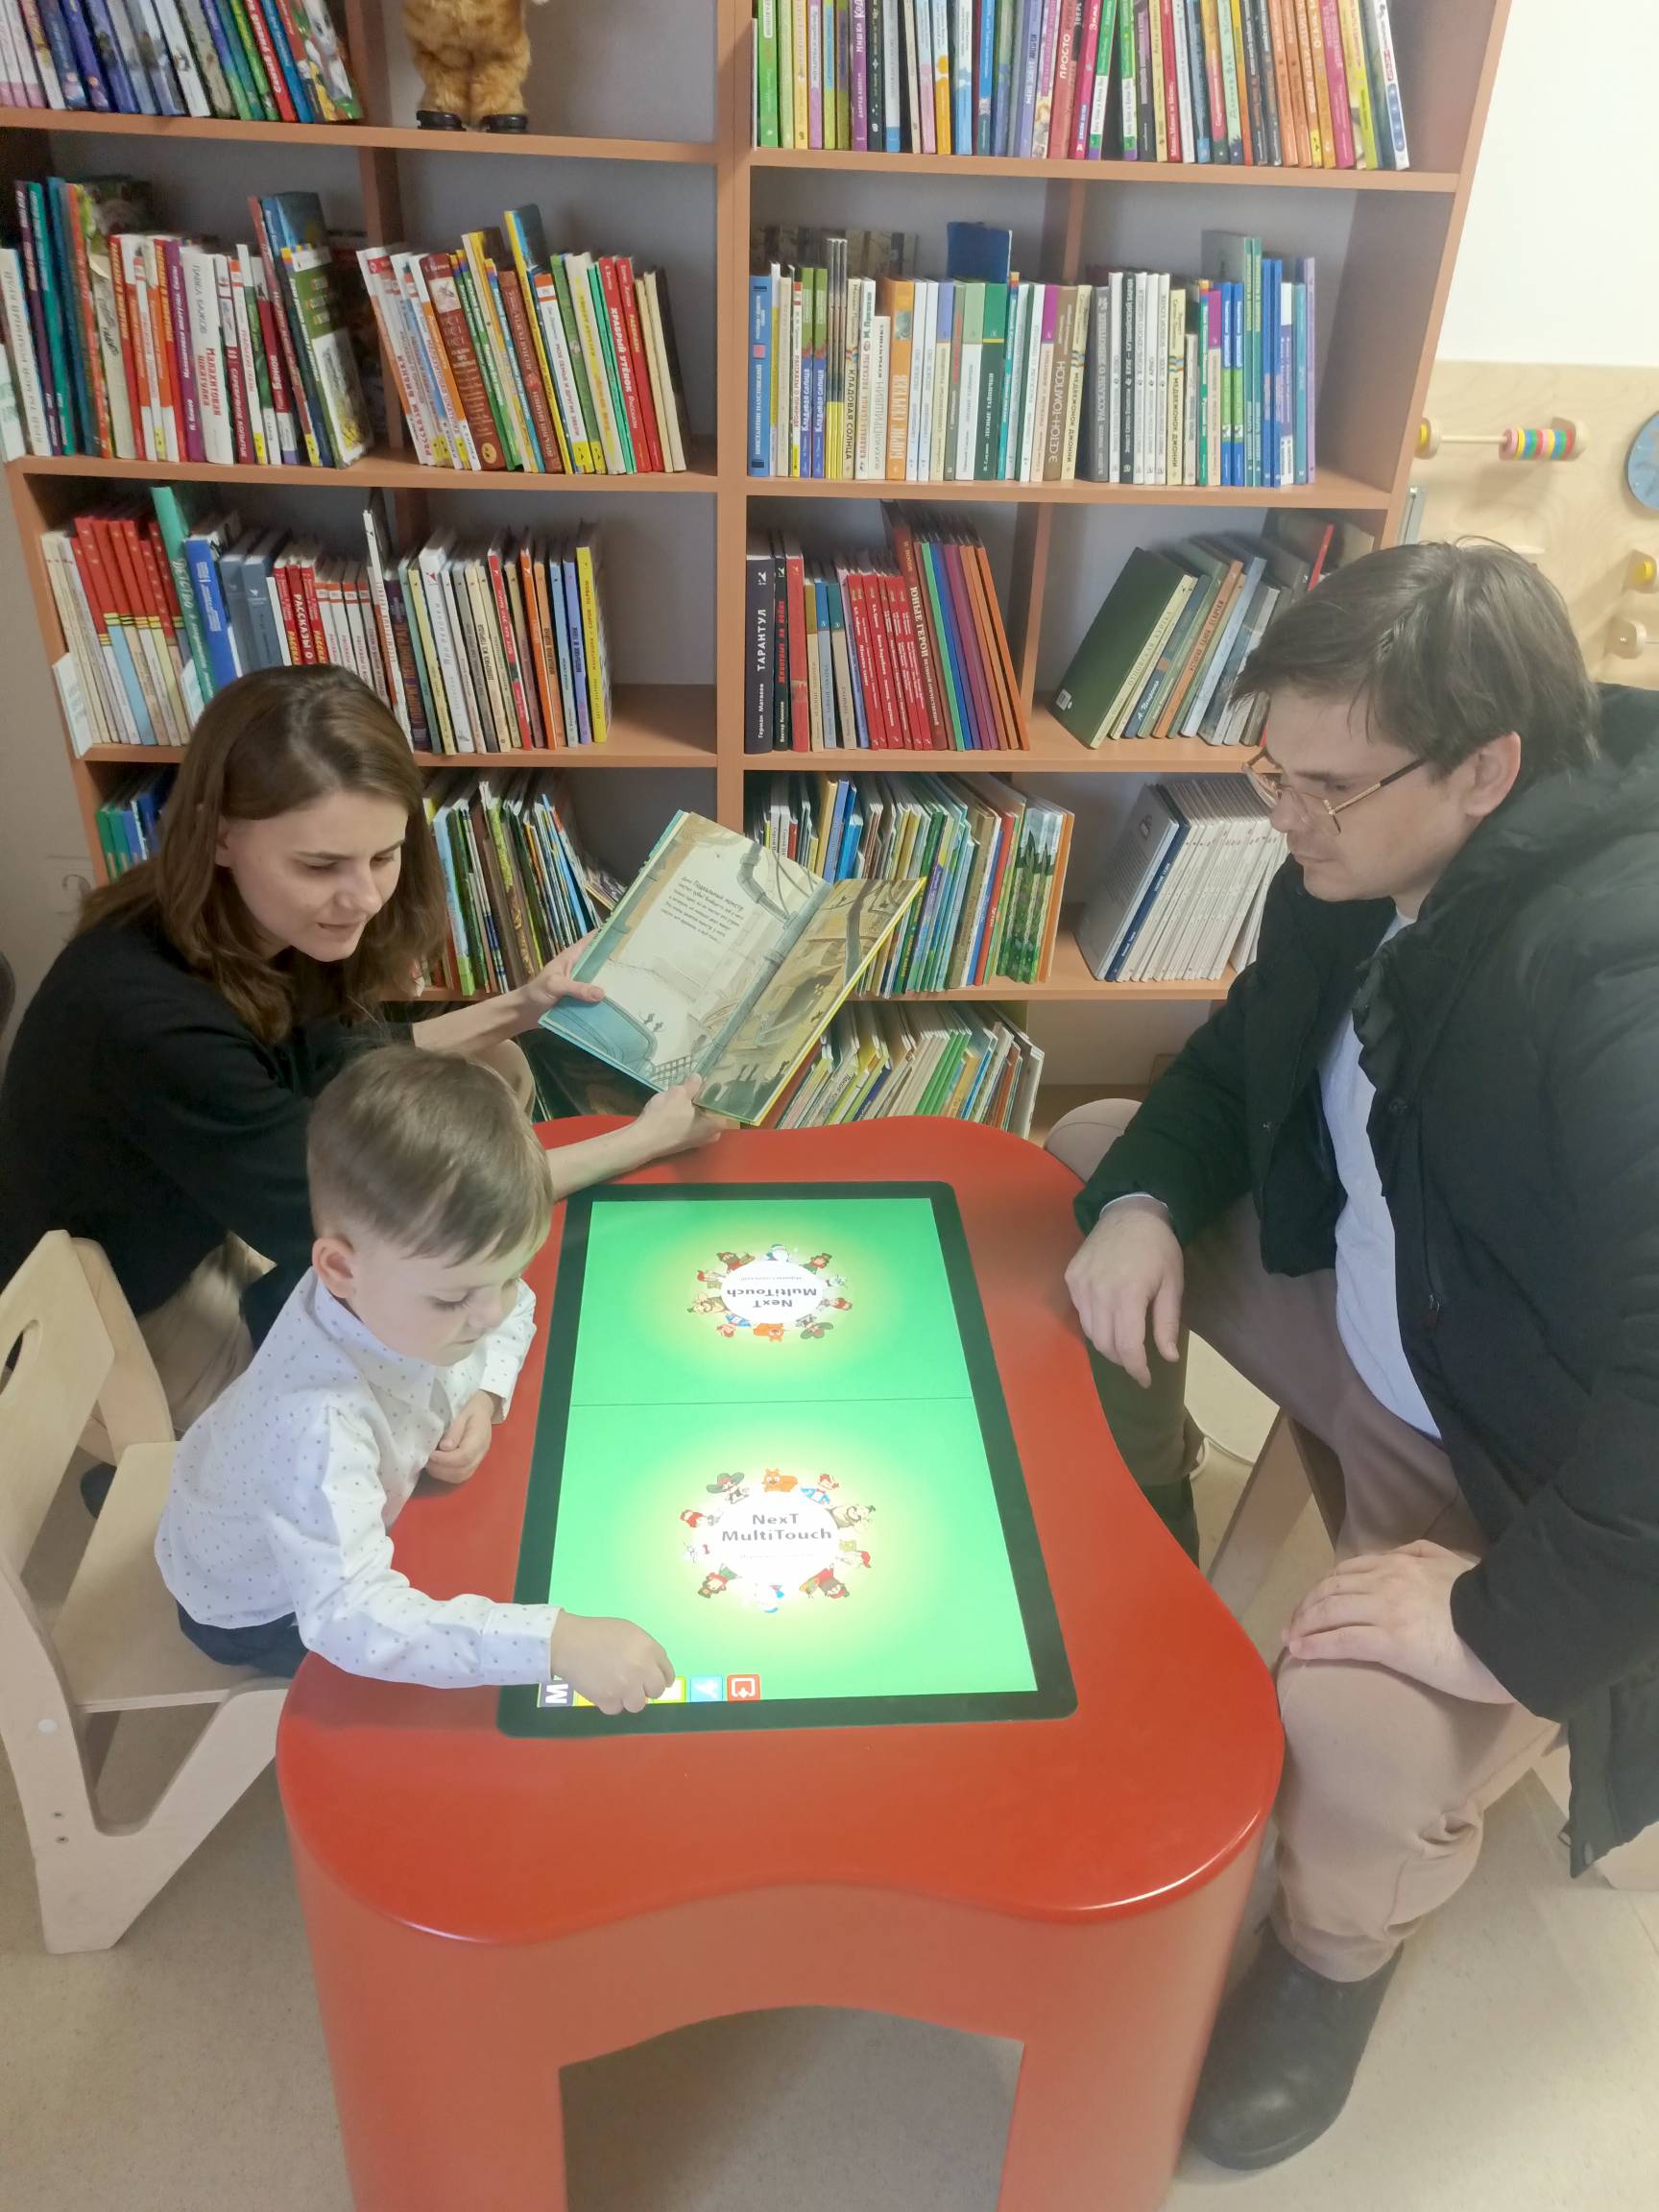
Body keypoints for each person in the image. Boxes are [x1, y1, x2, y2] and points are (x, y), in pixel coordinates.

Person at [1054, 543, 1659, 2172]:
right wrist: (1141, 1207)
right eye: (1272, 769)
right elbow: (1230, 1065)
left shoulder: (1619, 972)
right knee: (1093, 1166)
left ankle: (1330, 1959)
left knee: (1356, 1726)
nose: (1286, 815)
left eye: (1324, 784)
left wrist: (1485, 1617)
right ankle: (1143, 1544)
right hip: (1378, 1321)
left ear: (1485, 770)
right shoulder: (1346, 873)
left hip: (1509, 1449)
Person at [0, 665, 715, 1443]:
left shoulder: (240, 914)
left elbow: (335, 1060)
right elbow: (399, 1222)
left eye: (383, 857)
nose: (366, 898)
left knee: (499, 1067)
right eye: (321, 866)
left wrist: (524, 1004)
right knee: (410, 1426)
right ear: (219, 835)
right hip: (126, 1303)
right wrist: (644, 1140)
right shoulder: (149, 1020)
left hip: (219, 1201)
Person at [156, 1045, 677, 1709]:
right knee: (441, 1707)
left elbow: (508, 1310)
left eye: (507, 1276)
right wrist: (553, 1643)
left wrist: (484, 1392)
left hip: (261, 1497)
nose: (492, 1313)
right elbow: (353, 1620)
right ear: (339, 1269)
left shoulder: (394, 1287)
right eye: (454, 1299)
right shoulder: (317, 1427)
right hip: (256, 1609)